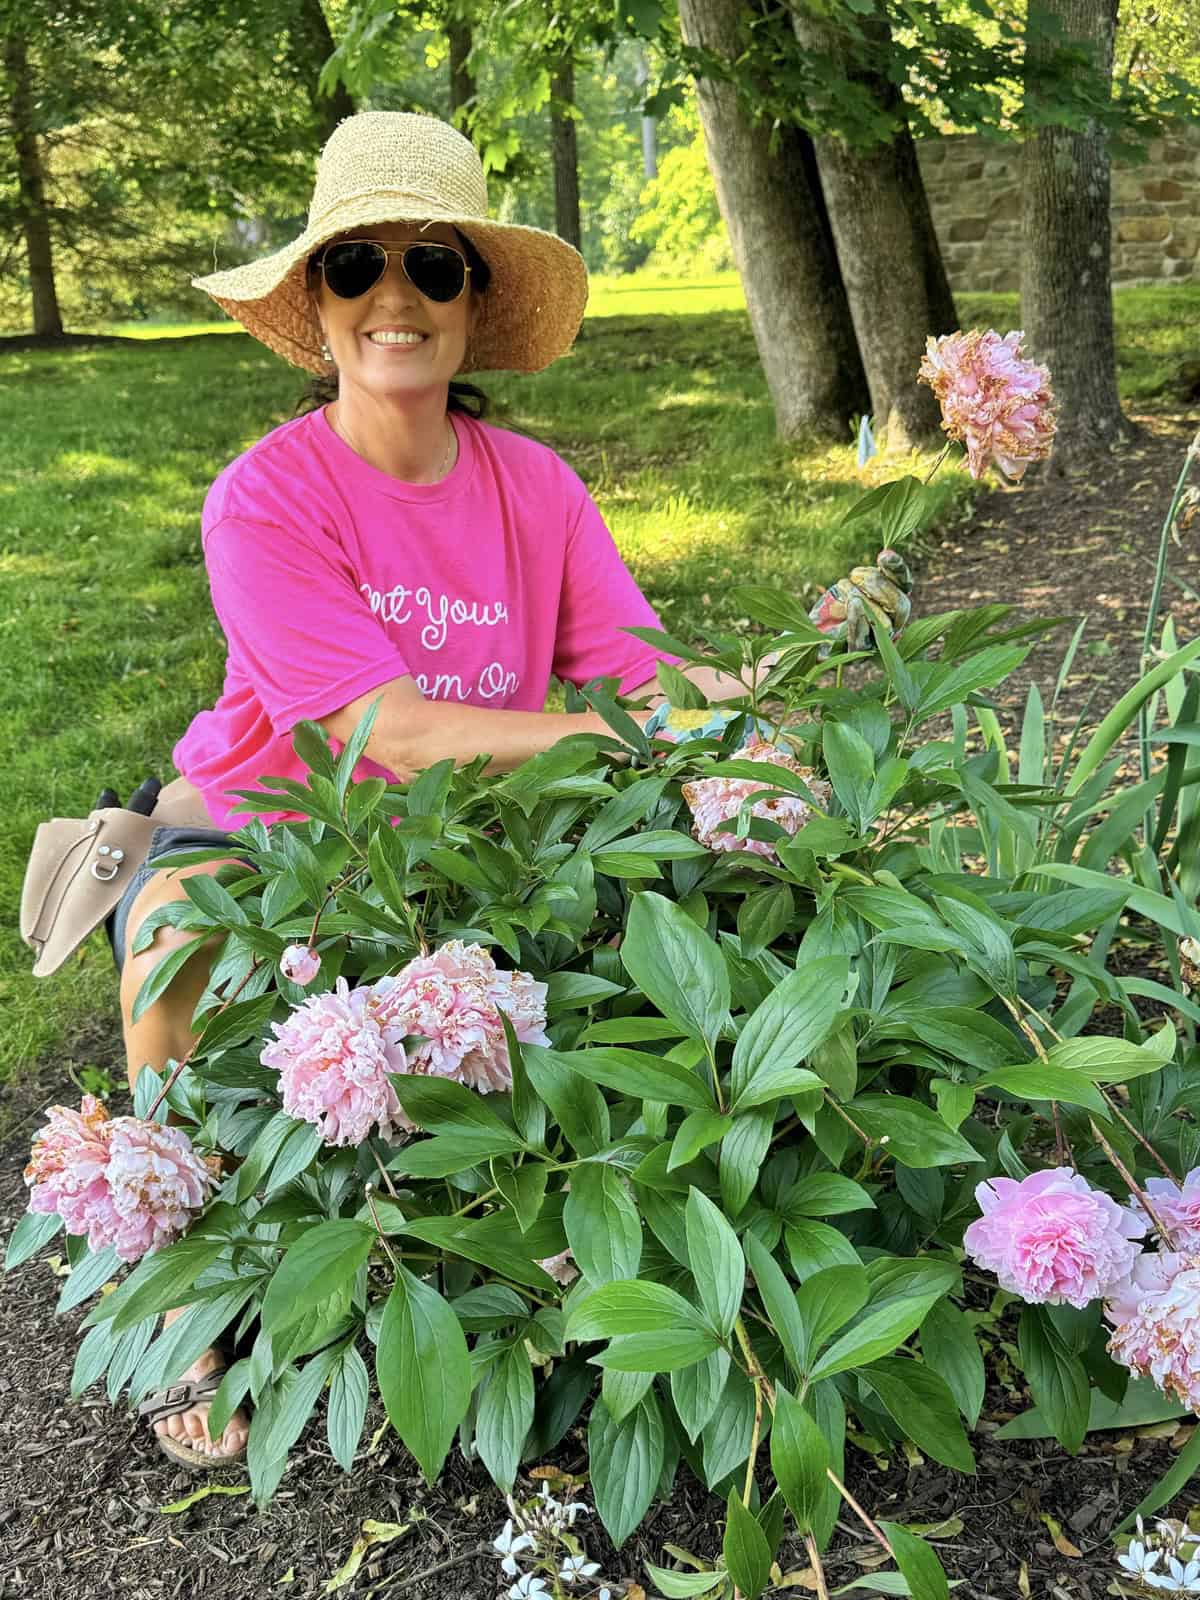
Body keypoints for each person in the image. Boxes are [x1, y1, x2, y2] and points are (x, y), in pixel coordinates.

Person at [112, 111, 778, 1469]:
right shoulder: (264, 500)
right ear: (317, 301)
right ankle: (186, 1277)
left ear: (475, 302)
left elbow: (641, 674)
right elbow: (387, 739)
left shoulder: (538, 487)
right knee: (176, 925)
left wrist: (752, 705)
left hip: (497, 837)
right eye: (355, 264)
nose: (395, 297)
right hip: (281, 833)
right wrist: (626, 738)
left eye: (432, 263)